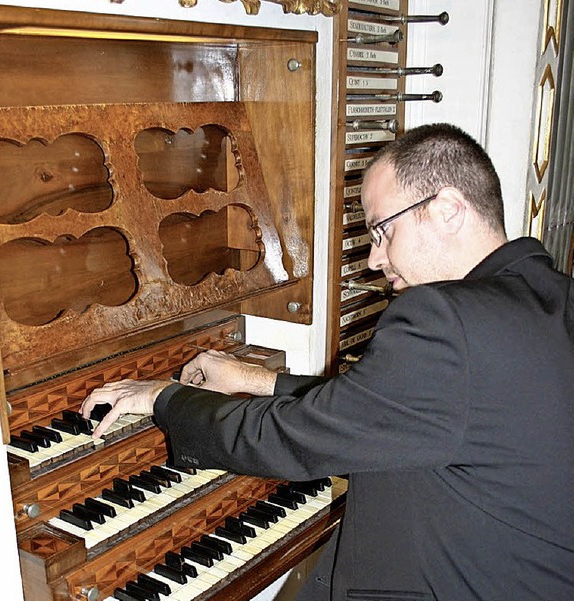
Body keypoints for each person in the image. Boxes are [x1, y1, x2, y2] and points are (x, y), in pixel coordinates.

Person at [81, 123, 574, 601]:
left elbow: (296, 438)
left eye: (381, 232)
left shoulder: (445, 318)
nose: (374, 260)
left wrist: (163, 398)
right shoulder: (552, 299)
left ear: (447, 209)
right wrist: (260, 380)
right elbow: (395, 409)